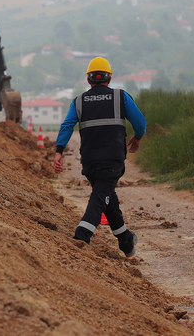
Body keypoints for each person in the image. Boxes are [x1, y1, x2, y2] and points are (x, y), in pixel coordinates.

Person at [53, 57, 146, 257]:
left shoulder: (78, 101)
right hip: (112, 160)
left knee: (106, 196)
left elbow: (67, 126)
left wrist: (59, 151)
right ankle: (82, 236)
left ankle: (126, 241)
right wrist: (137, 138)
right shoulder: (120, 97)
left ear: (89, 80)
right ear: (109, 78)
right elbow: (140, 123)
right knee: (100, 198)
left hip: (90, 162)